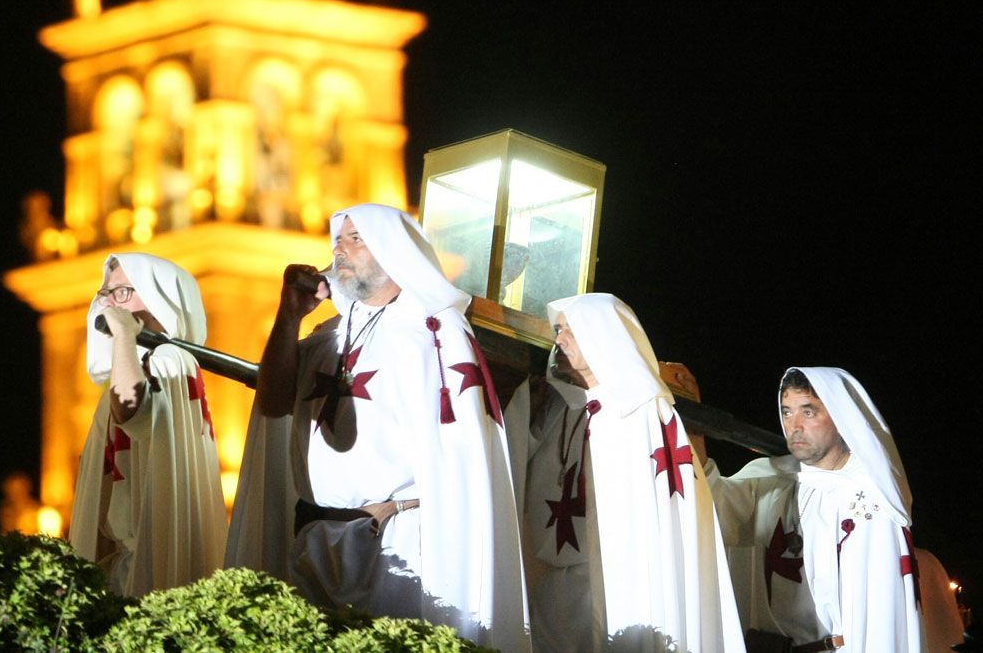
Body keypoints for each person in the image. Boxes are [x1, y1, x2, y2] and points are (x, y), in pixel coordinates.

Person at [225, 203, 529, 652]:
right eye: (338, 241)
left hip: (395, 542)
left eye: (355, 239)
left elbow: (461, 451)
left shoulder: (433, 330)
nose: (338, 251)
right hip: (316, 541)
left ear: (394, 251)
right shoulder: (328, 333)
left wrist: (401, 507)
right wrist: (290, 316)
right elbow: (272, 405)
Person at [504, 293, 745, 653]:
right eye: (558, 330)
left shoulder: (644, 414)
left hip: (623, 583)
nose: (558, 340)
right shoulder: (561, 409)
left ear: (602, 335)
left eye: (570, 330)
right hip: (556, 594)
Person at [693, 367, 925, 652]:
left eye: (809, 412)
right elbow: (708, 510)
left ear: (842, 418)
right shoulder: (770, 478)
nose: (794, 426)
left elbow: (880, 617)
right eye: (787, 412)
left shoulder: (871, 501)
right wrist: (692, 432)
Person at [69, 252, 227, 597]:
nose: (110, 303)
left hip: (152, 560)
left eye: (123, 292)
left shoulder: (170, 361)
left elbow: (132, 411)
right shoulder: (141, 366)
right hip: (124, 559)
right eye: (106, 293)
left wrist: (124, 337)